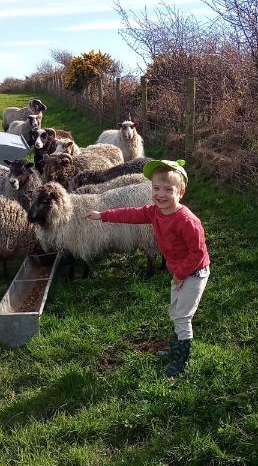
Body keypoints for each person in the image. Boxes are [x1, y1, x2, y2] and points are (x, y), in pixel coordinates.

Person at [86, 158, 210, 377]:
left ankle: (182, 362)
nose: (160, 194)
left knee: (182, 316)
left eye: (168, 189)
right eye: (156, 188)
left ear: (180, 192)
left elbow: (198, 253)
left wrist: (181, 274)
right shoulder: (155, 212)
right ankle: (176, 348)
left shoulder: (187, 221)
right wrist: (102, 215)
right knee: (175, 311)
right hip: (179, 271)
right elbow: (131, 214)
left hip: (194, 272)